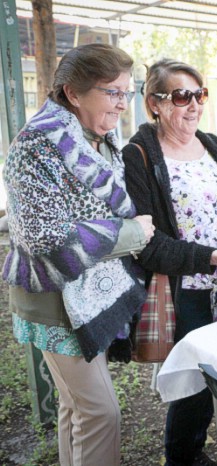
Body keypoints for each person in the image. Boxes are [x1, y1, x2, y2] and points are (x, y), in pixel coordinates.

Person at [3, 44, 154, 466]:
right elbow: (44, 236)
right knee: (100, 412)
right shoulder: (35, 146)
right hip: (55, 298)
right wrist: (131, 232)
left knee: (77, 409)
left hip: (86, 294)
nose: (122, 104)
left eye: (126, 93)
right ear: (73, 93)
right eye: (112, 93)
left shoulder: (97, 135)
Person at [123, 59, 217, 466]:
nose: (193, 104)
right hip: (185, 290)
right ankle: (183, 456)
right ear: (154, 103)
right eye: (181, 96)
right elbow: (148, 244)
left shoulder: (214, 144)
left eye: (200, 94)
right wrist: (207, 258)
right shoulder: (139, 155)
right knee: (192, 383)